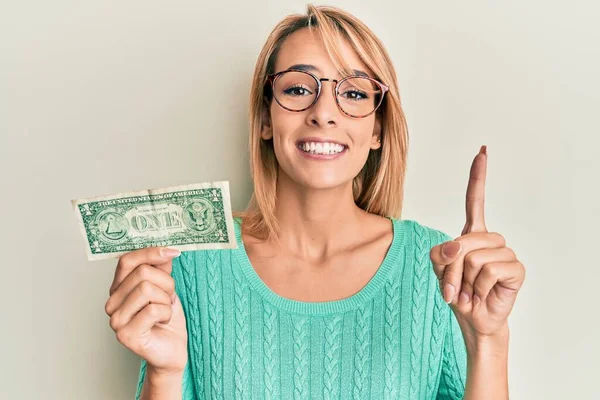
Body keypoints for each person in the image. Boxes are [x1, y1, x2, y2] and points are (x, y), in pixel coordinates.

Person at [104, 4, 526, 399]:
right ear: (266, 119)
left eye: (355, 94)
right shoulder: (192, 263)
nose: (324, 112)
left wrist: (488, 341)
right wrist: (163, 374)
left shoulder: (437, 266)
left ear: (378, 131)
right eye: (299, 88)